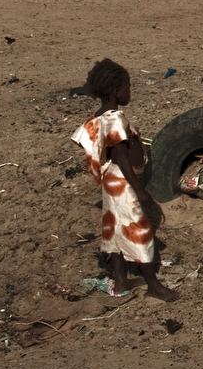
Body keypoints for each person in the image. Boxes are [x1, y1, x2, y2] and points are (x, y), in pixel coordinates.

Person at [74, 58, 177, 301]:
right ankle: (153, 284)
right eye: (128, 87)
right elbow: (120, 155)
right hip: (123, 182)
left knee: (114, 228)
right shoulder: (115, 119)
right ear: (116, 91)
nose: (130, 91)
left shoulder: (98, 117)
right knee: (138, 229)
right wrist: (139, 188)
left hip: (111, 182)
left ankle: (120, 281)